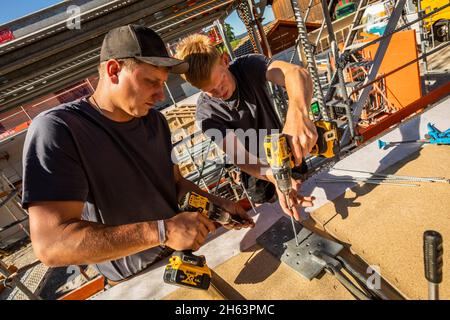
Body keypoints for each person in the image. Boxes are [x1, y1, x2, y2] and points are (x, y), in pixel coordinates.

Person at [21, 25, 254, 284]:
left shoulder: (155, 122)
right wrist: (162, 231)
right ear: (113, 70)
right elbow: (52, 244)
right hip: (135, 280)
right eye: (151, 81)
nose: (160, 94)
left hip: (182, 260)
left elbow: (175, 185)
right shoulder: (60, 129)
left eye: (163, 83)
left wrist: (218, 206)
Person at [175, 34, 316, 221]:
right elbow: (240, 157)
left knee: (310, 203)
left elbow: (297, 74)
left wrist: (297, 114)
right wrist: (274, 177)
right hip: (254, 171)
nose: (220, 93)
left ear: (225, 60)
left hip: (285, 153)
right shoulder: (206, 115)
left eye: (221, 81)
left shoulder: (249, 66)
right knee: (271, 219)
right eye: (210, 91)